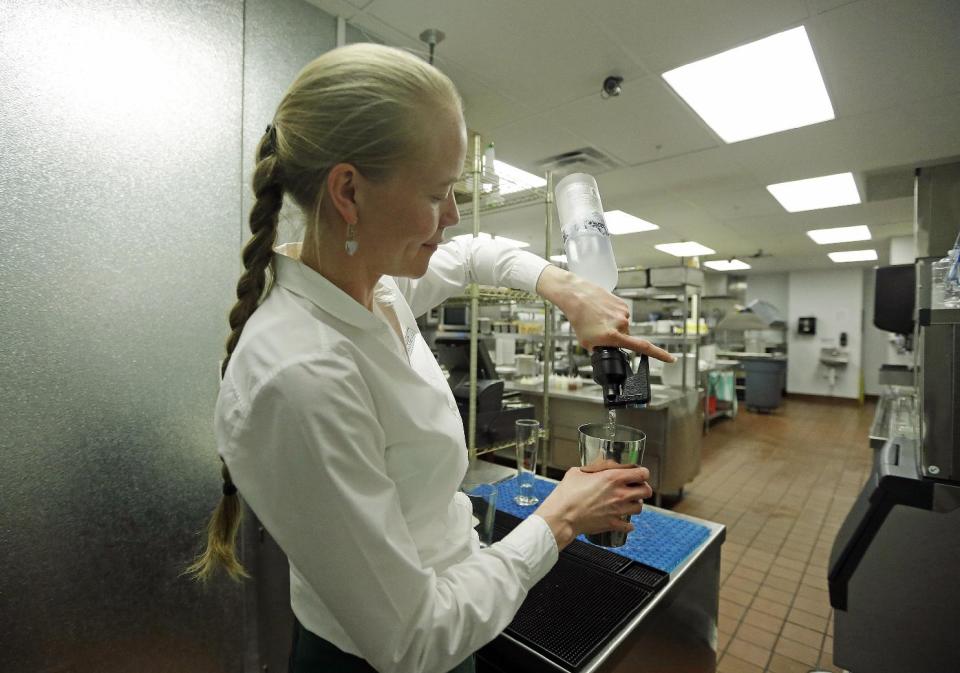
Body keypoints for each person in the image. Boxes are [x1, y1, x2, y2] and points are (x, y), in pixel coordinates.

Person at [187, 43, 674, 673]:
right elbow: (411, 638)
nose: (453, 214)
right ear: (349, 192)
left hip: (460, 617)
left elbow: (473, 252)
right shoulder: (302, 377)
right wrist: (562, 517)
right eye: (440, 191)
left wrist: (563, 286)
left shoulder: (375, 286)